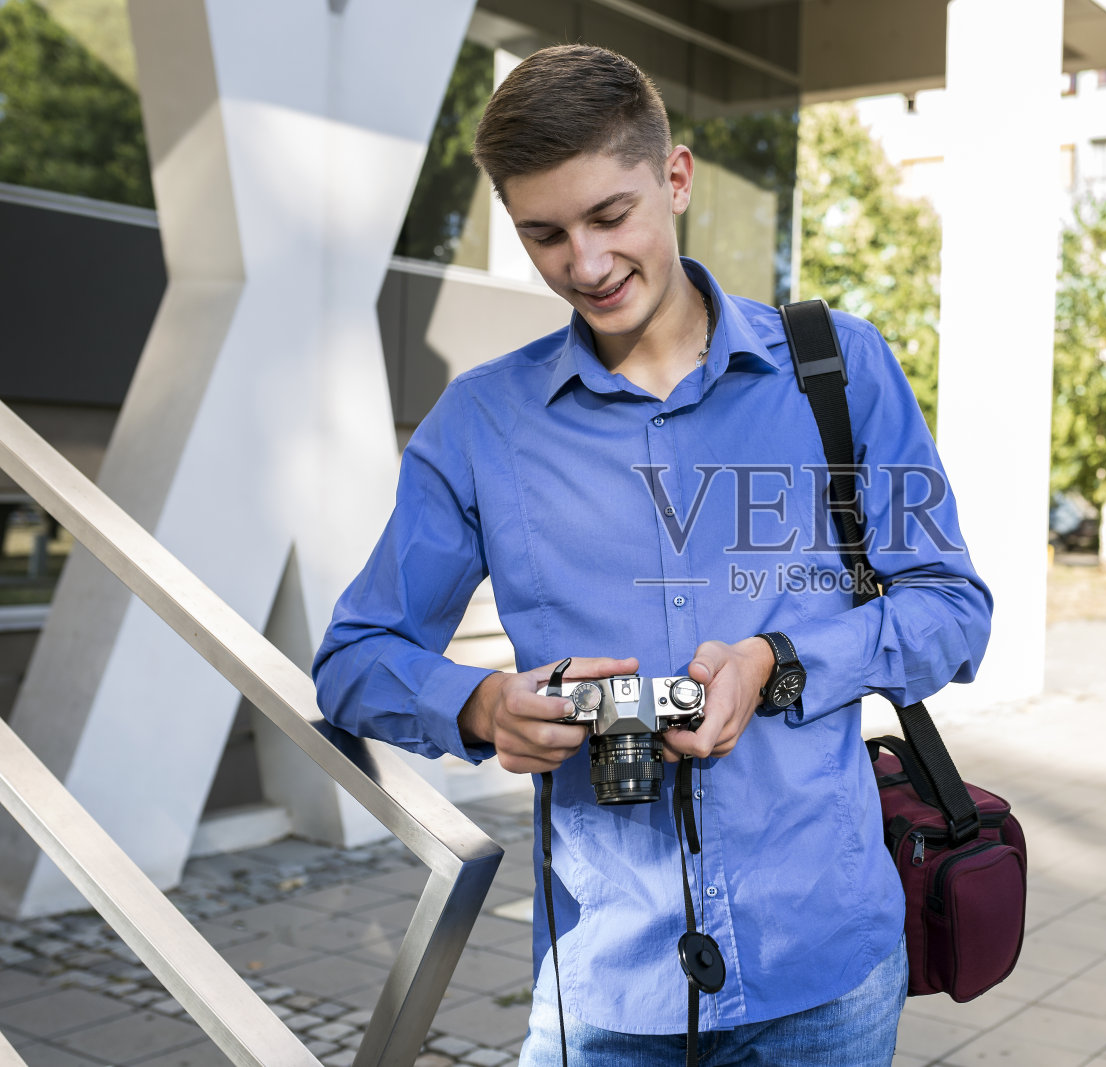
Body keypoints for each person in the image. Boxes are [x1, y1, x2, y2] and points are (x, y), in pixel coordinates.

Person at [312, 43, 991, 1066]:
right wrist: (480, 704)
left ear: (674, 180)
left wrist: (781, 661)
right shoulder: (480, 423)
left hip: (825, 968)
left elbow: (951, 606)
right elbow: (354, 656)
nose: (583, 265)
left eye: (608, 216)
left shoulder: (840, 370)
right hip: (604, 985)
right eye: (543, 234)